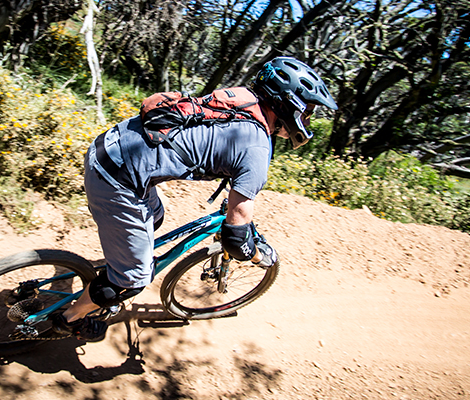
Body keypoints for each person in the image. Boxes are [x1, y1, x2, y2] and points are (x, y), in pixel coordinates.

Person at [51, 56, 338, 341]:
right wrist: (259, 255)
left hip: (109, 147)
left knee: (155, 216)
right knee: (134, 279)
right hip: (115, 180)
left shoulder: (242, 98)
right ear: (289, 103)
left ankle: (117, 263)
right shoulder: (257, 149)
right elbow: (236, 240)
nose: (307, 119)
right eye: (308, 110)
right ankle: (70, 319)